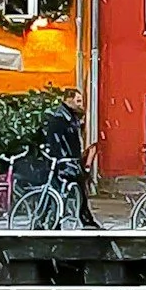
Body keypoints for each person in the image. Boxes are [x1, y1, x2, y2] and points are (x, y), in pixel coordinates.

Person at [42, 87, 99, 230]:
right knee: (63, 192)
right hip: (64, 162)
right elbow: (56, 141)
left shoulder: (70, 116)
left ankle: (82, 220)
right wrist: (63, 159)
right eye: (78, 101)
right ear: (68, 100)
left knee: (75, 191)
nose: (81, 104)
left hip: (70, 160)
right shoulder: (60, 118)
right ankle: (52, 221)